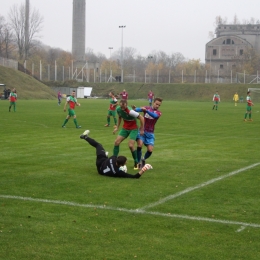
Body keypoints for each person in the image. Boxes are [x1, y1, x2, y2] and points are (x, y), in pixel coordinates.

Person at [79, 130, 152, 178]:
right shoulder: (118, 172)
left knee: (98, 145)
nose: (126, 162)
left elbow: (114, 160)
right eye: (125, 162)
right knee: (104, 155)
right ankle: (105, 155)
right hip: (100, 170)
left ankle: (85, 137)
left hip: (101, 161)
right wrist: (143, 169)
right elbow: (134, 177)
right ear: (122, 165)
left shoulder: (113, 158)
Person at [113, 99, 144, 170]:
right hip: (125, 128)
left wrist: (142, 129)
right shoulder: (118, 109)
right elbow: (120, 117)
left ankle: (136, 161)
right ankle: (114, 160)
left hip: (133, 129)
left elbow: (142, 118)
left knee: (130, 145)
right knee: (116, 142)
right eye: (121, 106)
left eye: (123, 107)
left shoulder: (131, 111)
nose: (122, 108)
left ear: (126, 105)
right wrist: (117, 127)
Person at [133, 97, 163, 168]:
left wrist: (146, 111)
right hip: (142, 131)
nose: (157, 106)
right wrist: (136, 109)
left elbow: (154, 116)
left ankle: (143, 159)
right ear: (153, 102)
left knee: (150, 150)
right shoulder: (147, 108)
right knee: (139, 145)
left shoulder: (159, 112)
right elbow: (137, 110)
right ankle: (139, 162)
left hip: (150, 133)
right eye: (156, 104)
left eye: (159, 105)